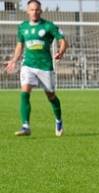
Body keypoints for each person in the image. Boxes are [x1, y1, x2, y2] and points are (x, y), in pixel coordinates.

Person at [4, 0, 68, 137]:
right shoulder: (22, 27)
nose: (34, 12)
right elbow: (20, 45)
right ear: (27, 11)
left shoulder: (48, 26)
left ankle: (58, 120)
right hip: (28, 65)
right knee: (25, 91)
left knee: (51, 96)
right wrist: (14, 60)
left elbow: (62, 40)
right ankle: (25, 125)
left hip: (45, 66)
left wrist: (61, 51)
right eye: (32, 9)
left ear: (41, 11)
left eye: (37, 9)